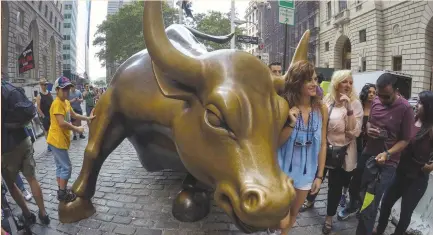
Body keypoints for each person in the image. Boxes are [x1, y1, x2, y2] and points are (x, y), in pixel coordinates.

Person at [354, 73, 415, 235]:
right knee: (360, 197)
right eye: (379, 95)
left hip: (386, 163)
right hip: (368, 155)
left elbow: (405, 140)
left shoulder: (405, 108)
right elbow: (370, 124)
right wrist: (368, 130)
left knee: (370, 202)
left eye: (386, 96)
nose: (381, 99)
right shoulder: (375, 101)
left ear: (396, 90)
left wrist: (388, 153)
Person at [271, 61, 327, 235]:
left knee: (293, 215)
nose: (314, 84)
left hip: (306, 173)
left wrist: (319, 176)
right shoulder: (284, 106)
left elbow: (323, 143)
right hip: (281, 172)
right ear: (296, 82)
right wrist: (290, 123)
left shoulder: (321, 109)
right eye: (308, 80)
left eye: (315, 79)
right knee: (280, 219)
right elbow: (275, 143)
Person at [373, 91, 433, 235]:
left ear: (428, 106)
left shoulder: (431, 128)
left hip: (417, 179)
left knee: (406, 212)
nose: (416, 105)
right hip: (400, 173)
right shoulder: (412, 120)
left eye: (419, 103)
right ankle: (380, 230)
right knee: (386, 203)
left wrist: (430, 166)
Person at [1, 81, 50, 225]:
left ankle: (28, 215)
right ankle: (43, 213)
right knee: (32, 178)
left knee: (11, 184)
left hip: (6, 149)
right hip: (24, 139)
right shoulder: (7, 86)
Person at [321, 70, 363, 234]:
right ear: (336, 83)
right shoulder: (328, 99)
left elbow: (354, 132)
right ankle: (309, 200)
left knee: (335, 186)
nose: (348, 85)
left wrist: (349, 109)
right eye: (344, 81)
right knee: (315, 179)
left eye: (351, 82)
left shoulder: (355, 103)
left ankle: (329, 218)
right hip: (324, 148)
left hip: (342, 153)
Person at [47, 76, 95, 202]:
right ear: (57, 90)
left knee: (60, 167)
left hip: (60, 139)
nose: (66, 92)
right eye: (64, 89)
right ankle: (62, 193)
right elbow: (62, 123)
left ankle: (60, 189)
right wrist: (76, 129)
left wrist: (87, 119)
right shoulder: (57, 103)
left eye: (68, 89)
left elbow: (74, 114)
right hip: (57, 140)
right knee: (67, 167)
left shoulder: (66, 102)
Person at [338, 83, 376, 220]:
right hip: (356, 147)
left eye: (374, 92)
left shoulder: (378, 109)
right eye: (369, 91)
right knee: (353, 178)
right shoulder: (358, 106)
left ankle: (362, 208)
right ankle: (350, 203)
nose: (372, 94)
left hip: (371, 151)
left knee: (368, 184)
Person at [36, 78, 54, 152]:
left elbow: (52, 104)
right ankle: (49, 145)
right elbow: (38, 108)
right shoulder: (39, 95)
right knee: (47, 131)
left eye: (46, 84)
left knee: (52, 130)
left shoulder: (49, 93)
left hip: (51, 114)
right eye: (43, 84)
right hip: (45, 115)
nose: (45, 86)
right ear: (40, 85)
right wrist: (43, 116)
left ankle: (53, 143)